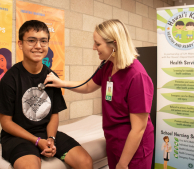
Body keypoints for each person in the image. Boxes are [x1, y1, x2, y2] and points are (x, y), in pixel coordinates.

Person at [44, 19, 154, 169]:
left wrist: (123, 163)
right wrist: (62, 83)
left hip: (133, 150)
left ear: (114, 44)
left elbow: (138, 128)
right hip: (113, 142)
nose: (94, 47)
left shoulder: (137, 76)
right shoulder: (108, 65)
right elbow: (89, 86)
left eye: (98, 43)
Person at [0, 20, 92, 169]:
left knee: (85, 162)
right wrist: (37, 141)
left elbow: (54, 113)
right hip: (18, 136)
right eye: (31, 41)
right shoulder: (10, 78)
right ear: (20, 44)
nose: (38, 46)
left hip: (46, 133)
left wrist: (51, 138)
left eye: (43, 41)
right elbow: (6, 122)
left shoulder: (51, 76)